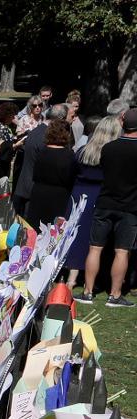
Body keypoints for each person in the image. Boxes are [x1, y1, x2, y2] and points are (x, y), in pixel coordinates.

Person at [80, 108, 137, 307]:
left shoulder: (109, 148)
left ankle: (87, 292)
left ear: (122, 123)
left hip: (105, 202)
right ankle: (115, 294)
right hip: (130, 207)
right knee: (122, 251)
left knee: (95, 248)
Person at [67, 114, 121, 291]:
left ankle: (71, 277)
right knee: (94, 240)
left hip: (79, 193)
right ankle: (91, 279)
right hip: (99, 195)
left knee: (75, 234)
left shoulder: (84, 150)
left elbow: (73, 169)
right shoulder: (111, 154)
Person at [14, 104, 65, 217]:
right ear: (60, 119)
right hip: (34, 190)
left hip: (27, 186)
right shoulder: (46, 137)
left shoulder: (36, 131)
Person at [26, 118, 77, 228]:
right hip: (59, 197)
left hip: (38, 194)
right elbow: (71, 179)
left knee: (36, 229)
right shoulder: (69, 156)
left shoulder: (42, 152)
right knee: (55, 232)